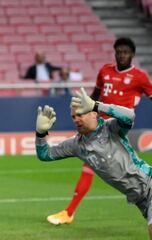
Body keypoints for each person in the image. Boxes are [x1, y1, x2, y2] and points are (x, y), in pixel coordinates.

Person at [46, 37, 152, 225]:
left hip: (119, 125)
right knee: (91, 163)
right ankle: (69, 212)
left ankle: (69, 212)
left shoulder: (140, 76)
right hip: (98, 123)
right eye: (119, 52)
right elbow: (93, 97)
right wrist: (85, 111)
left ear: (132, 55)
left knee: (96, 163)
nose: (121, 55)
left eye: (125, 52)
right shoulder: (105, 71)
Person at [35, 88, 152, 239]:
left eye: (81, 114)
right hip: (139, 200)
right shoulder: (76, 145)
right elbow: (45, 155)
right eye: (73, 116)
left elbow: (130, 116)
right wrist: (40, 134)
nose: (76, 119)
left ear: (93, 114)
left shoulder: (110, 128)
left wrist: (97, 105)